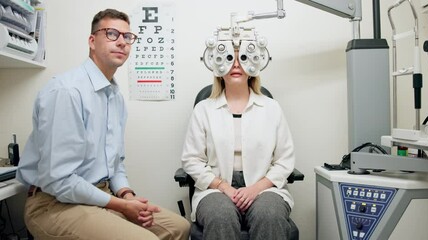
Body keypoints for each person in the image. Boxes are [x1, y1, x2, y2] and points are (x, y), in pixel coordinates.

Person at [16, 9, 190, 240]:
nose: (121, 42)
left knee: (180, 227)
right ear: (92, 41)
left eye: (127, 37)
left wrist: (127, 196)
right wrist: (120, 205)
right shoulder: (67, 91)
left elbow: (115, 165)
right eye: (111, 34)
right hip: (54, 204)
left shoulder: (114, 97)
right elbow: (58, 180)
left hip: (101, 195)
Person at [181, 48, 296, 240]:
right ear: (217, 65)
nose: (235, 64)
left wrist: (256, 189)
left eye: (243, 58)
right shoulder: (203, 110)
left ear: (254, 64)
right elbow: (192, 159)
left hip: (264, 187)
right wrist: (223, 187)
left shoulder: (271, 108)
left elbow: (284, 160)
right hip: (215, 188)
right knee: (220, 216)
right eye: (228, 58)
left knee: (270, 215)